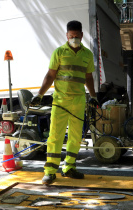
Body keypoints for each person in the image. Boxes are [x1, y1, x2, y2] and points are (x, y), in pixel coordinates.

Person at [30, 20, 99, 185]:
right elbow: (50, 75)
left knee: (76, 137)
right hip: (60, 101)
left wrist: (93, 96)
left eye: (76, 36)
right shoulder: (59, 52)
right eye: (71, 36)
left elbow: (89, 78)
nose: (74, 39)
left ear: (82, 35)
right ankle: (50, 171)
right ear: (67, 36)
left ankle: (69, 167)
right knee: (55, 136)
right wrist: (40, 94)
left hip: (78, 101)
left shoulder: (88, 55)